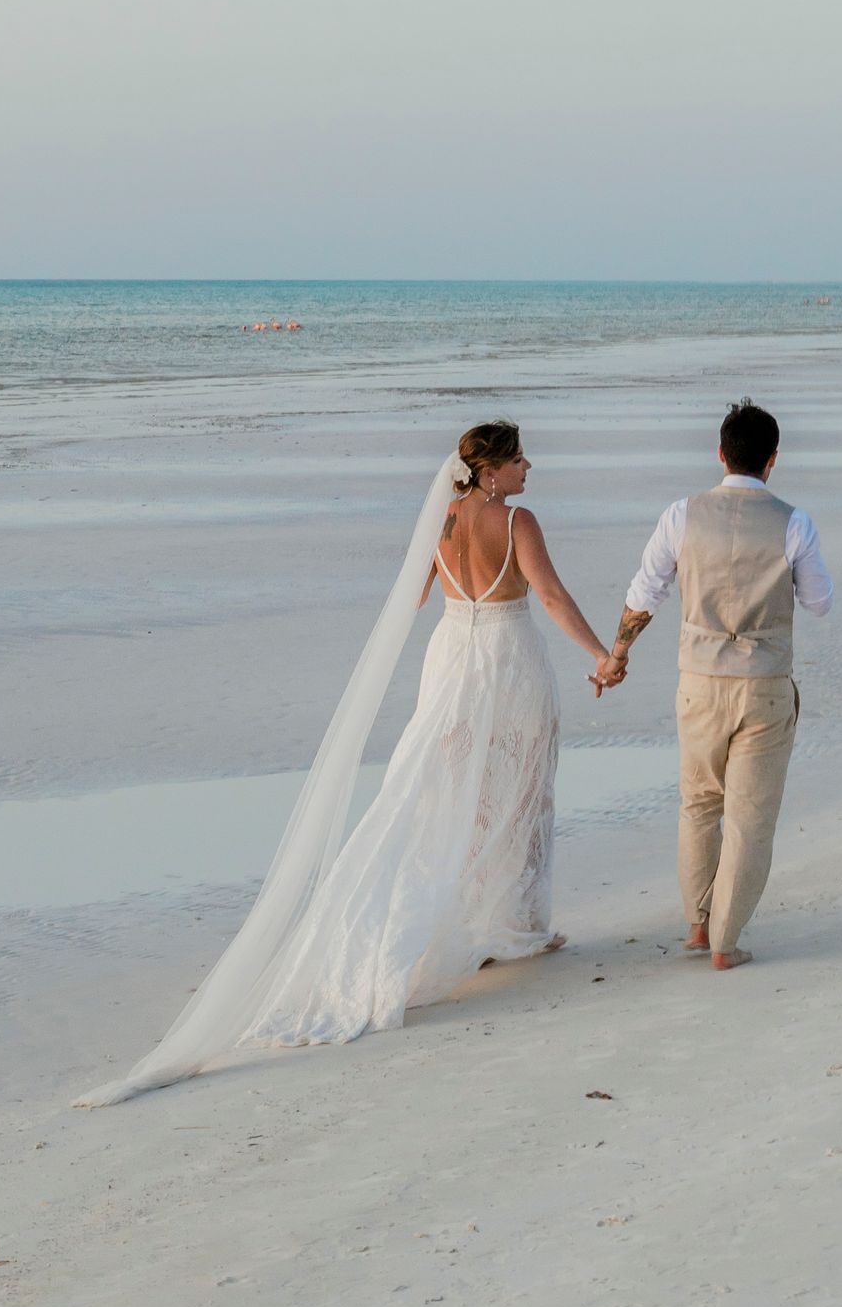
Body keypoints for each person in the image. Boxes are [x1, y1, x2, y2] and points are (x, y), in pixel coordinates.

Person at [80, 418, 619, 1103]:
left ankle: (488, 926)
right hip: (510, 663)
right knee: (522, 790)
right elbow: (550, 596)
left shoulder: (445, 520)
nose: (527, 468)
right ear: (492, 472)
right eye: (517, 461)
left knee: (453, 793)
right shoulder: (518, 522)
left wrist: (452, 564)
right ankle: (517, 926)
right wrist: (600, 654)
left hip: (452, 660)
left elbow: (415, 595)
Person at [600, 398, 832, 970]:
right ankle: (728, 943)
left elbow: (643, 594)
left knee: (699, 804)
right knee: (751, 816)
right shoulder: (793, 521)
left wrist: (617, 655)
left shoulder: (682, 515)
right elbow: (820, 603)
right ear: (772, 460)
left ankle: (698, 927)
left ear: (720, 454)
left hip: (698, 682)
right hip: (763, 684)